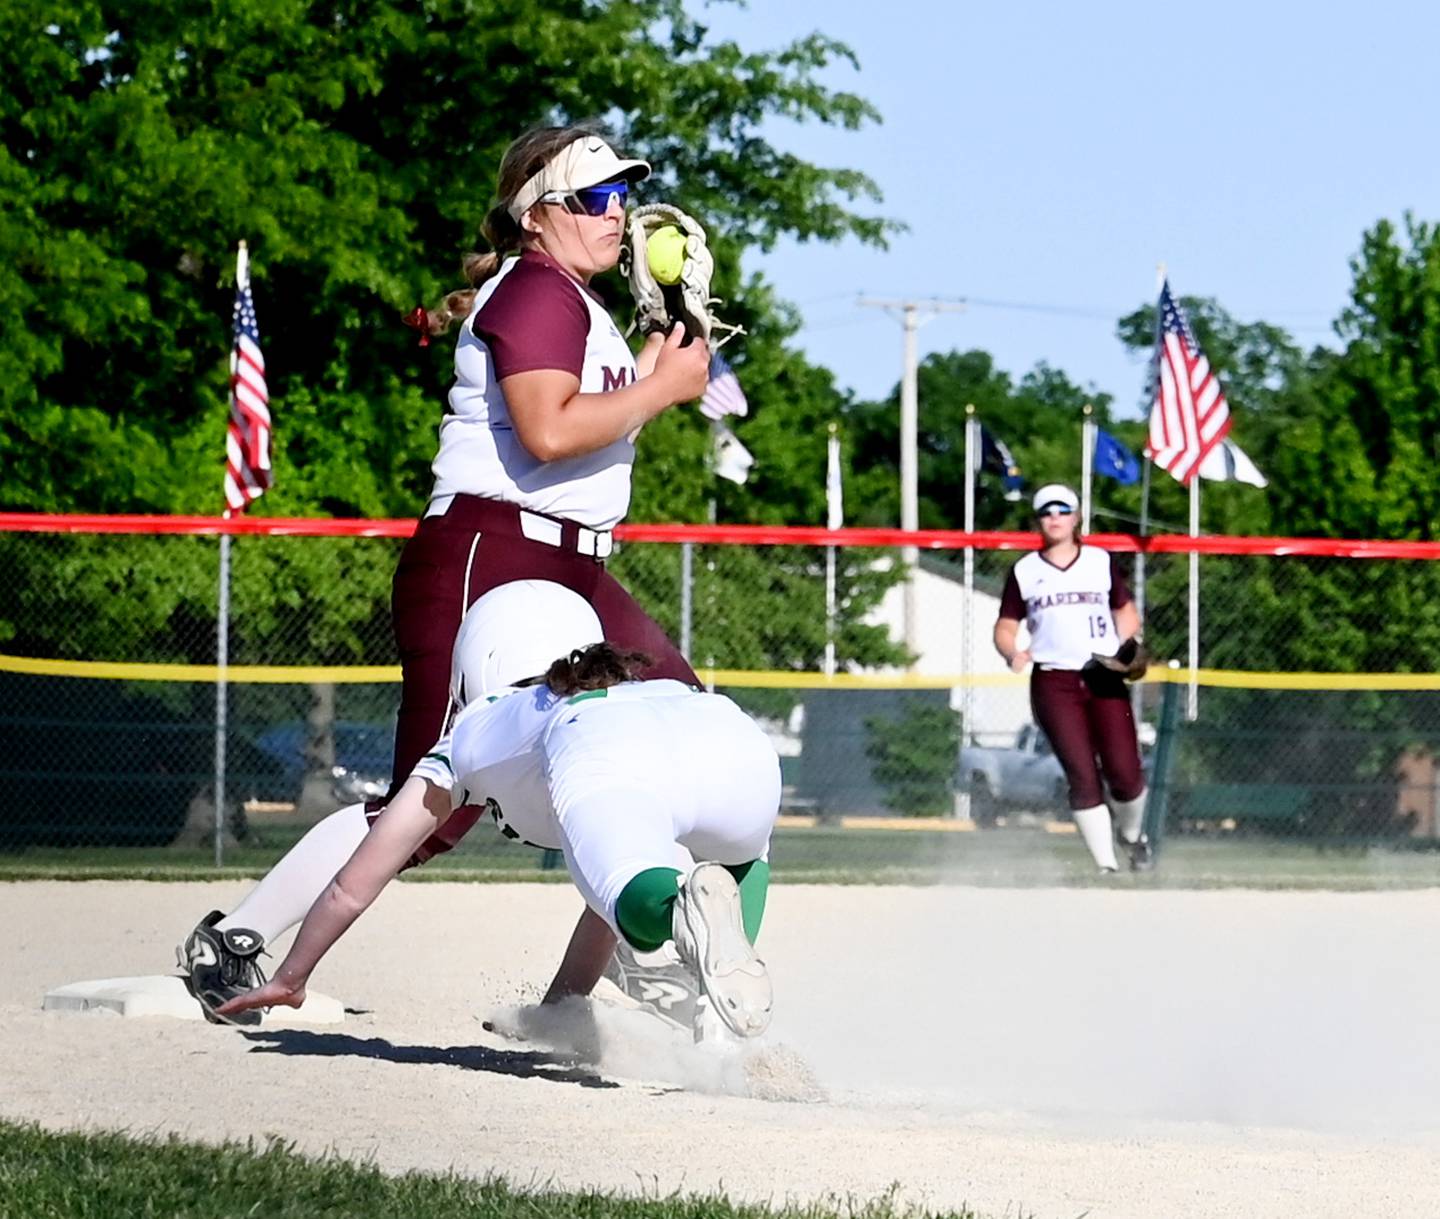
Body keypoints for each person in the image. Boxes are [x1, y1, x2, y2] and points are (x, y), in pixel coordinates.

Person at [180, 123, 712, 1021]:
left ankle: (569, 999)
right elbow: (547, 433)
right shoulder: (539, 290)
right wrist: (661, 385)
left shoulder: (572, 300)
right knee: (433, 800)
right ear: (537, 215)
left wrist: (670, 340)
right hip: (492, 554)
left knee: (679, 741)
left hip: (570, 564)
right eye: (594, 197)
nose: (617, 214)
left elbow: (601, 422)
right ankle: (236, 938)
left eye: (622, 196)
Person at [214, 592, 781, 1041]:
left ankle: (675, 908)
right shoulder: (626, 689)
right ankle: (720, 1015)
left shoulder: (476, 727)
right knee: (730, 869)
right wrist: (559, 1010)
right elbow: (596, 906)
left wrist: (292, 977)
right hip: (728, 731)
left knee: (641, 897)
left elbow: (350, 887)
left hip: (603, 749)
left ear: (477, 664)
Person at [992, 483, 1153, 872]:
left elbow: (1126, 612)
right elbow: (1005, 626)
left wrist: (1127, 644)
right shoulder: (1025, 571)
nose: (1055, 517)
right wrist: (1012, 651)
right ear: (1038, 520)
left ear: (1077, 517)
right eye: (1047, 511)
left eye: (1063, 510)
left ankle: (1131, 837)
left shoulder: (1099, 561)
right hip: (1053, 681)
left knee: (1125, 773)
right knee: (1082, 775)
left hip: (1102, 675)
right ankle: (1106, 867)